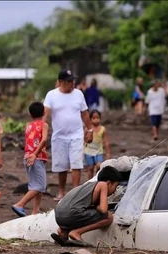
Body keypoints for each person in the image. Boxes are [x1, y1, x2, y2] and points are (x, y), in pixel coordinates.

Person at [44, 70, 93, 201]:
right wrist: (40, 129)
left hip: (76, 134)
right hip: (59, 136)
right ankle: (62, 192)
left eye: (73, 81)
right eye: (69, 81)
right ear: (60, 82)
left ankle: (75, 192)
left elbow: (84, 113)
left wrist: (90, 130)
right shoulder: (51, 95)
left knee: (76, 163)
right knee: (61, 166)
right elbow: (46, 113)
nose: (72, 83)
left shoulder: (78, 94)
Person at [51, 166, 122, 246]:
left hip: (58, 215)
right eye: (115, 187)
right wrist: (97, 207)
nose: (114, 191)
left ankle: (63, 233)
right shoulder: (103, 185)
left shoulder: (87, 186)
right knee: (108, 217)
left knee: (81, 213)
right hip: (71, 214)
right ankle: (76, 233)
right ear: (108, 183)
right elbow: (103, 209)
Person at [12, 102, 49, 217]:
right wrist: (36, 154)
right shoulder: (44, 125)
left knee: (35, 184)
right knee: (40, 186)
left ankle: (35, 210)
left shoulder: (28, 125)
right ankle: (20, 204)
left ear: (29, 114)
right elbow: (43, 140)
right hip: (35, 157)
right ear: (44, 112)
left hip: (28, 157)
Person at [84, 110, 111, 181]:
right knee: (90, 167)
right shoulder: (88, 129)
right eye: (94, 118)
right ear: (90, 119)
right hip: (88, 151)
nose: (96, 120)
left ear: (100, 118)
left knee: (99, 165)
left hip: (98, 151)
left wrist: (108, 152)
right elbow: (84, 139)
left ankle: (97, 179)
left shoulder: (102, 129)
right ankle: (90, 181)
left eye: (98, 118)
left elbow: (106, 141)